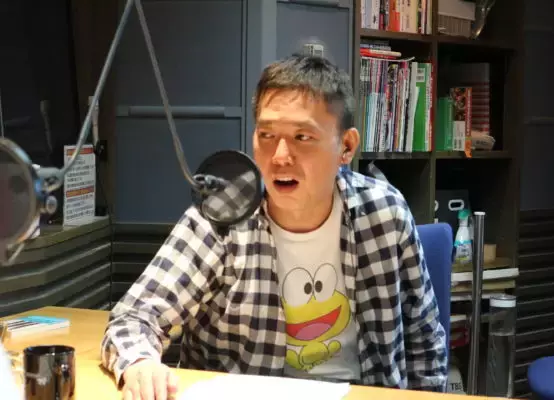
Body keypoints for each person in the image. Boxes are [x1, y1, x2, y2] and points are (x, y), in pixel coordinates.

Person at [101, 53, 448, 400]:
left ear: (346, 146)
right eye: (266, 134)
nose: (280, 156)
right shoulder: (221, 215)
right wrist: (140, 363)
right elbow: (134, 318)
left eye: (302, 137)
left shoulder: (384, 213)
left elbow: (424, 338)